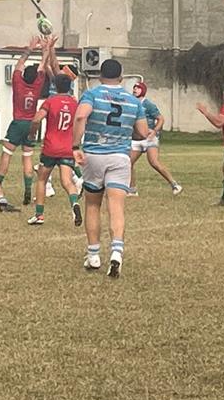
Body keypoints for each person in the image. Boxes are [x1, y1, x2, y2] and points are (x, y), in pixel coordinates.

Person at [75, 59, 149, 277]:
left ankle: (93, 255)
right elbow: (143, 132)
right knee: (116, 207)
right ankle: (116, 252)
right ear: (121, 77)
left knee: (92, 205)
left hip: (95, 155)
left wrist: (74, 145)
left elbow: (81, 116)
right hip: (119, 157)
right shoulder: (133, 101)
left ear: (99, 75)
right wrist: (127, 133)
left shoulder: (92, 94)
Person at [0, 37, 51, 206]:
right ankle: (27, 190)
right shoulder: (37, 85)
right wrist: (45, 49)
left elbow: (20, 63)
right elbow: (43, 64)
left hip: (18, 122)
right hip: (32, 123)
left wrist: (30, 48)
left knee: (7, 154)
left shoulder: (18, 82)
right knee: (27, 158)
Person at [26, 73, 82, 226]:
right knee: (67, 181)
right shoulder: (75, 104)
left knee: (42, 180)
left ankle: (39, 215)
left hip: (51, 147)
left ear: (55, 86)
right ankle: (74, 205)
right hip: (67, 147)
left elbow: (37, 119)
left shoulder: (51, 101)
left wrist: (32, 134)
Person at [126, 81, 182, 197]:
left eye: (138, 88)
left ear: (143, 91)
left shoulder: (148, 104)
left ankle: (174, 184)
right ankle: (132, 190)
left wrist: (155, 131)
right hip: (136, 140)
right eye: (134, 88)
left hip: (149, 139)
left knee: (154, 162)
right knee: (128, 163)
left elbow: (160, 119)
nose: (135, 90)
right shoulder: (131, 103)